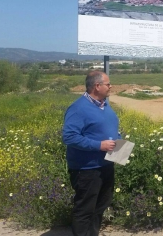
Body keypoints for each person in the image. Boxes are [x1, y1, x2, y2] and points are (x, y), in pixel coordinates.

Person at [62, 71, 120, 236]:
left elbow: (109, 128)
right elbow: (69, 137)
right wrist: (99, 145)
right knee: (85, 209)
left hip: (106, 165)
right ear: (97, 86)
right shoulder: (78, 108)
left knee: (101, 206)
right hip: (87, 169)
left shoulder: (104, 105)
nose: (111, 87)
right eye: (108, 84)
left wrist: (119, 140)